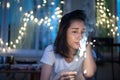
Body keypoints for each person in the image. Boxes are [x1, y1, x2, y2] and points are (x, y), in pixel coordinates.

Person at [40, 10, 96, 80]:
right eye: (75, 32)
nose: (80, 37)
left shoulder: (87, 52)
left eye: (83, 32)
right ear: (64, 33)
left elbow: (89, 74)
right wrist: (58, 78)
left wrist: (87, 43)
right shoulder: (51, 51)